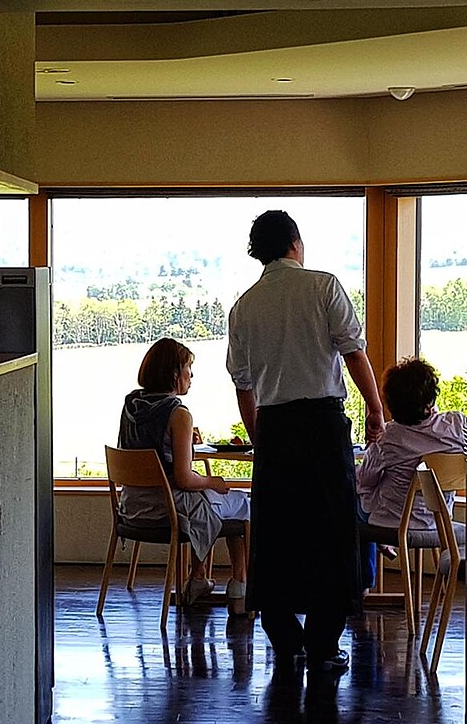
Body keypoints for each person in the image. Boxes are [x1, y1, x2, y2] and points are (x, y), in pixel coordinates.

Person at [226, 210, 384, 675]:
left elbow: (243, 384)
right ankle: (322, 644)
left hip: (274, 427)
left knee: (276, 534)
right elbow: (353, 353)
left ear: (258, 252)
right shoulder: (323, 286)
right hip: (322, 424)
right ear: (295, 243)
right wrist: (376, 410)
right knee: (331, 532)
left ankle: (283, 637)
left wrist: (259, 438)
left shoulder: (244, 306)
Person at [118, 338, 251, 613]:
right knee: (241, 504)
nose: (192, 375)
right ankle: (240, 586)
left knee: (207, 502)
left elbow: (144, 451)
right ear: (174, 374)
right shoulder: (178, 413)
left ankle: (198, 577)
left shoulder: (131, 405)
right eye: (188, 368)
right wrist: (213, 482)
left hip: (132, 506)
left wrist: (181, 442)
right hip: (168, 508)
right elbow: (183, 479)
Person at [356, 357, 467, 587]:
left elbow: (365, 481)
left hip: (393, 522)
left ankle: (363, 586)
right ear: (430, 401)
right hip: (439, 521)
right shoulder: (458, 425)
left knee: (352, 506)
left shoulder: (388, 438)